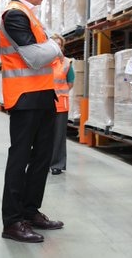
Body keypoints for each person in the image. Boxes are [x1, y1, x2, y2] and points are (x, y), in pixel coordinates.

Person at [0, 0, 64, 243]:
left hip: (43, 96)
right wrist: (56, 46)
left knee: (41, 159)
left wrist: (49, 46)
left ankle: (30, 210)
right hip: (24, 98)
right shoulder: (14, 15)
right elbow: (35, 57)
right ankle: (12, 221)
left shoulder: (30, 16)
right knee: (20, 158)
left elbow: (40, 52)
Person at [50, 34, 74, 175]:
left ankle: (57, 165)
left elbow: (70, 82)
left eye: (59, 44)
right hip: (44, 104)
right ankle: (43, 162)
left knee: (59, 136)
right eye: (54, 43)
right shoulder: (43, 62)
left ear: (62, 46)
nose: (57, 46)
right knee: (43, 135)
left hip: (60, 104)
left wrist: (60, 92)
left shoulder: (66, 62)